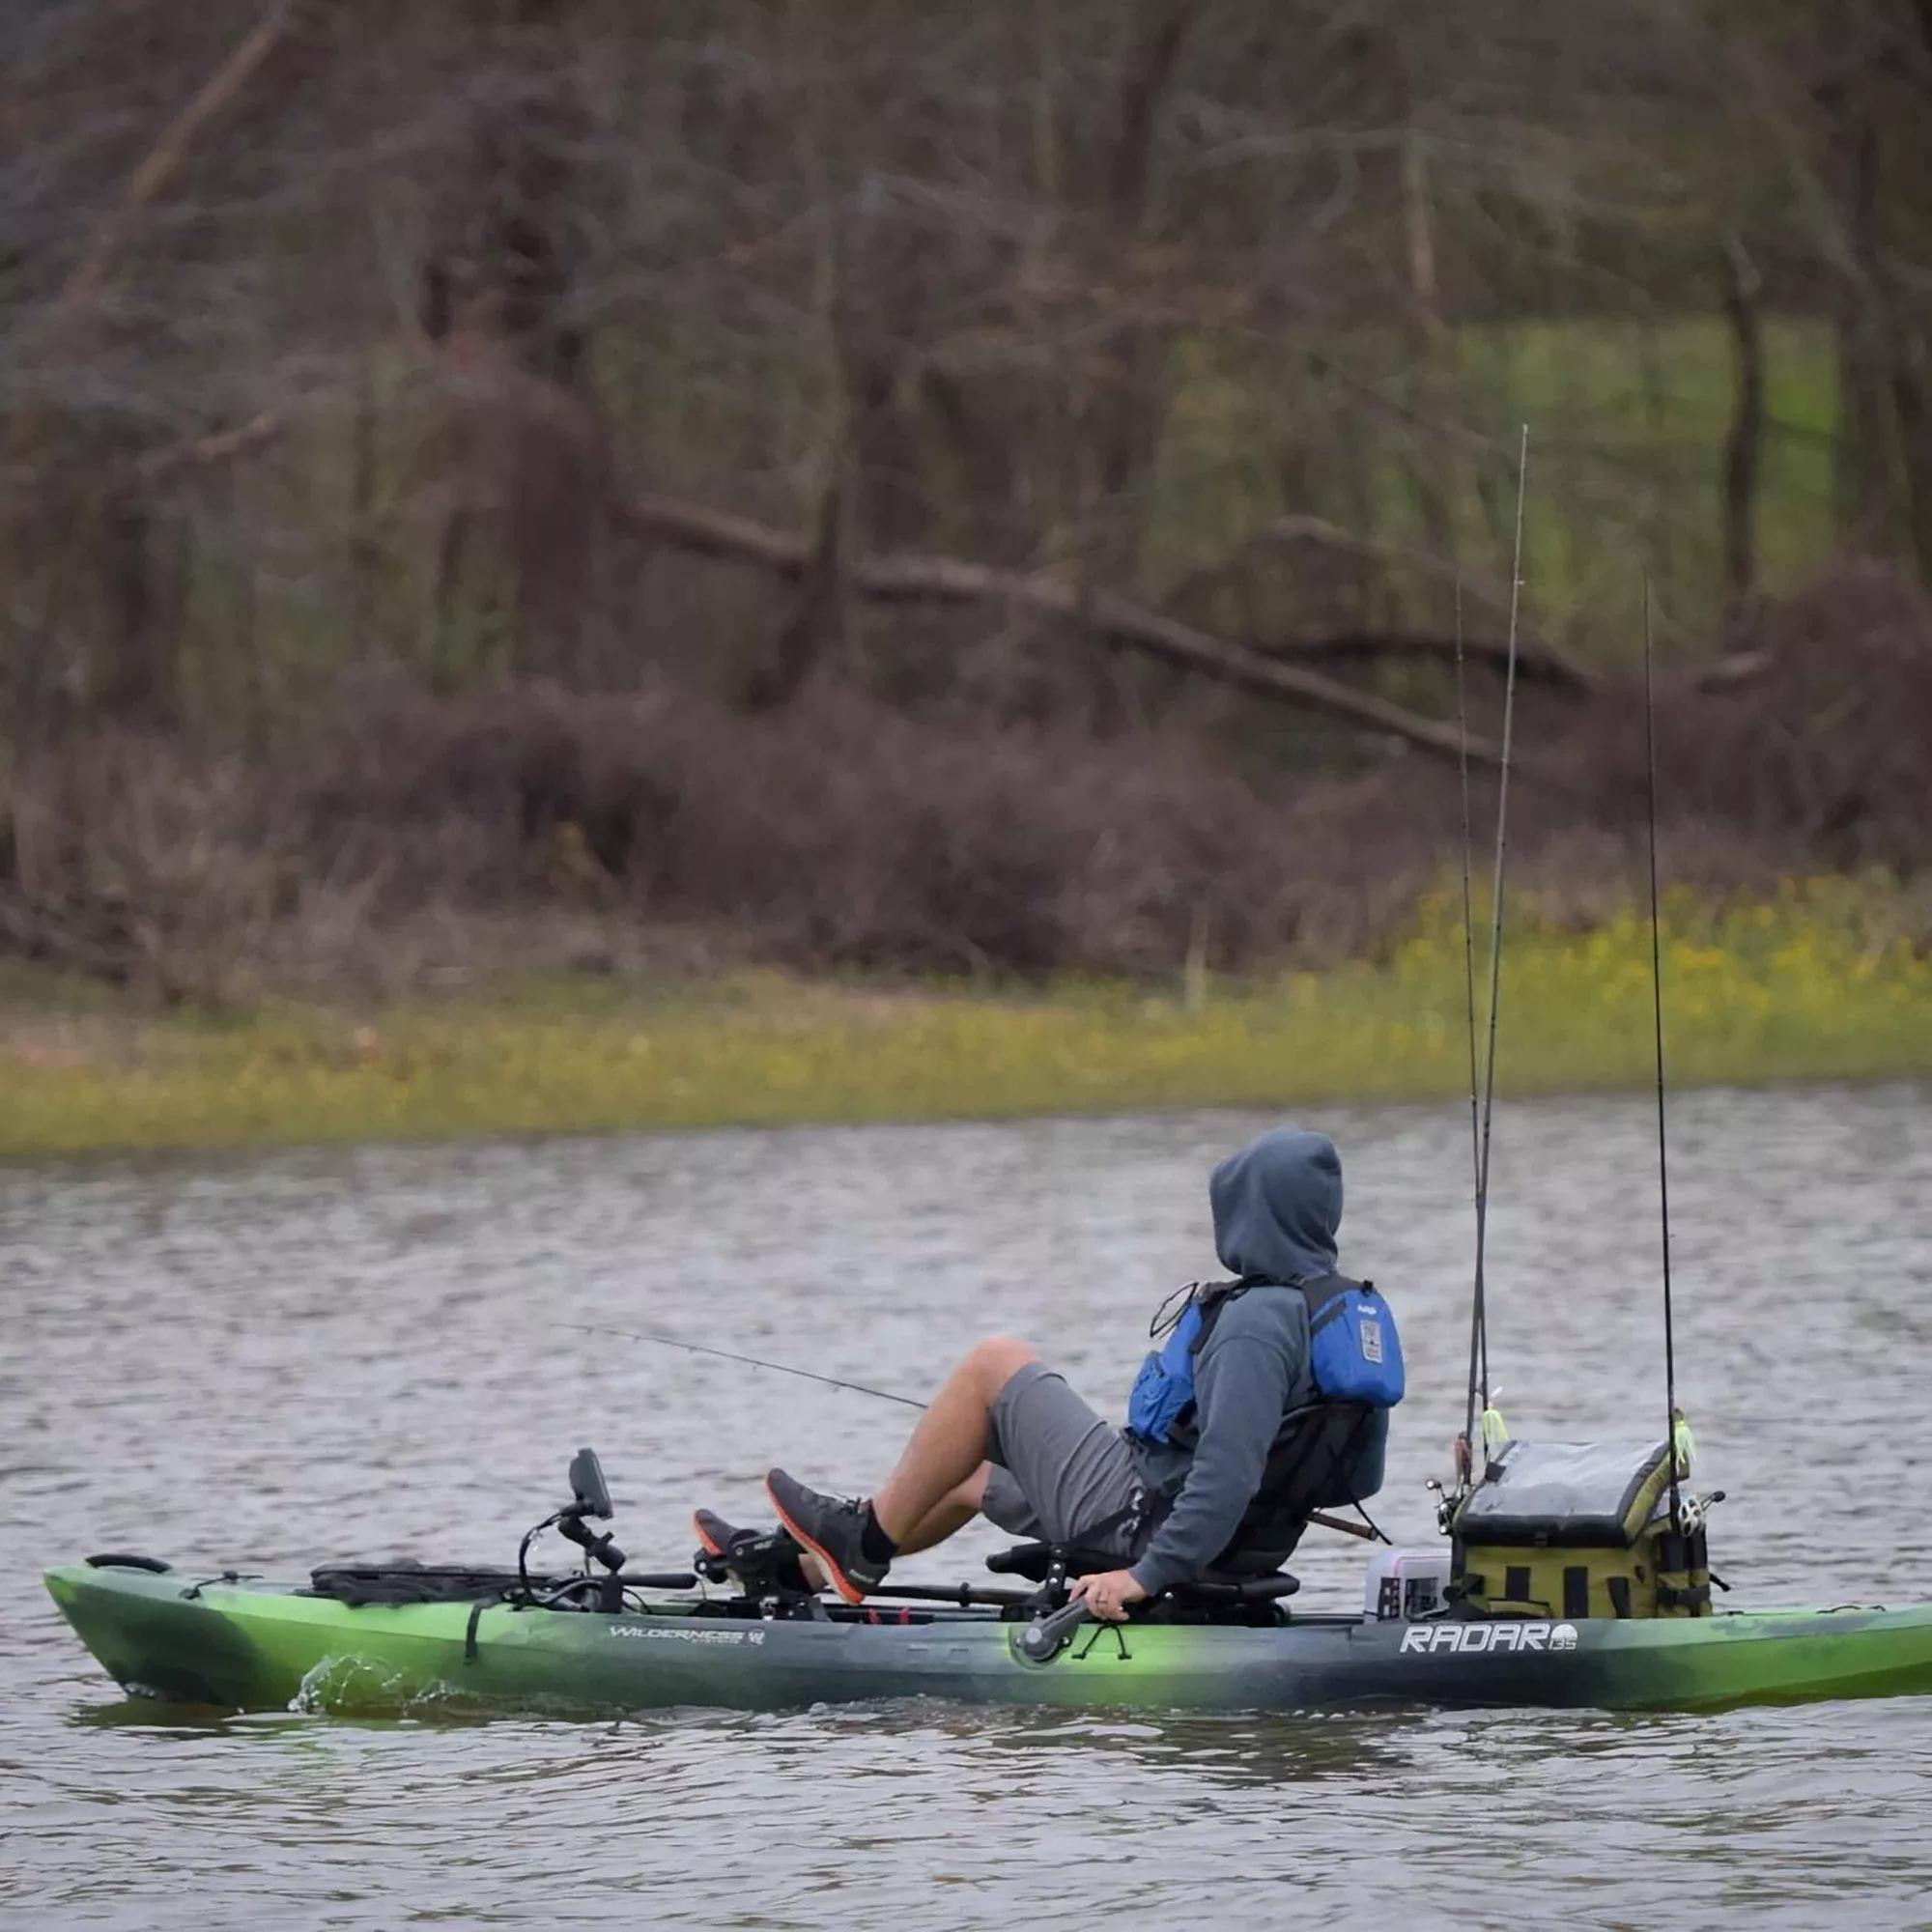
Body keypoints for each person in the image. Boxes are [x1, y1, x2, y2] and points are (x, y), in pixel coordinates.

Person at [696, 1125, 1392, 1620]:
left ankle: (859, 1546)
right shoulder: (1336, 1315)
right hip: (1233, 1543)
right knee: (966, 1471)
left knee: (992, 1366)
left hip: (1146, 1528)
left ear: (1252, 1214)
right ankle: (809, 1571)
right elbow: (1359, 1479)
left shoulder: (1256, 1322)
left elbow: (1226, 1475)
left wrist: (1144, 1577)